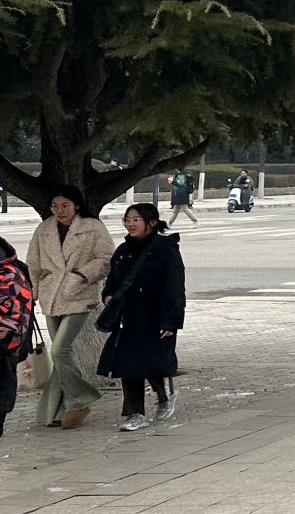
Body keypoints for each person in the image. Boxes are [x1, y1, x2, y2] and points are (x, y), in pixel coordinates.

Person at [25, 184, 112, 429]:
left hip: (79, 295)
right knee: (63, 356)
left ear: (77, 205)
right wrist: (31, 293)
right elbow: (33, 263)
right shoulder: (44, 229)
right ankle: (55, 411)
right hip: (51, 296)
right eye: (55, 206)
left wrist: (82, 276)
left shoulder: (92, 227)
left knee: (59, 351)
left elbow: (106, 259)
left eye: (65, 205)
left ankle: (81, 398)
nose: (60, 210)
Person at [96, 203, 185, 431]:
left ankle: (163, 395)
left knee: (150, 364)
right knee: (128, 366)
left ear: (152, 223)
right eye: (127, 220)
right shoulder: (123, 251)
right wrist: (108, 296)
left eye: (136, 220)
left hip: (155, 318)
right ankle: (135, 414)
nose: (130, 224)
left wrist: (171, 322)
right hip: (128, 318)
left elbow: (174, 288)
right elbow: (112, 281)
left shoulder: (166, 250)